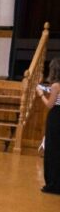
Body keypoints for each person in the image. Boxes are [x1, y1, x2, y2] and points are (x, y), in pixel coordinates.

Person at [36, 57, 60, 194]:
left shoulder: (56, 85)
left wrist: (40, 95)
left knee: (52, 149)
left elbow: (49, 104)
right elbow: (51, 90)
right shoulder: (55, 86)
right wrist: (44, 88)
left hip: (56, 117)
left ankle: (52, 183)